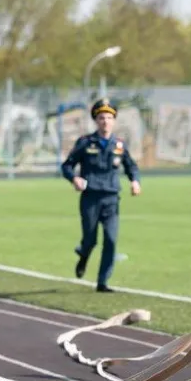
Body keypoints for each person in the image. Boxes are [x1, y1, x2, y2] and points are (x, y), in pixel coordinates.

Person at [61, 98, 141, 293]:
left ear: (114, 121)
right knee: (90, 240)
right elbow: (67, 165)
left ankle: (102, 282)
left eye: (108, 117)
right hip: (90, 198)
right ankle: (84, 256)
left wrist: (135, 181)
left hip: (111, 199)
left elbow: (131, 166)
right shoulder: (86, 143)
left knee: (111, 240)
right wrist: (74, 179)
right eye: (101, 118)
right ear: (96, 121)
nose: (105, 121)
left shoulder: (119, 145)